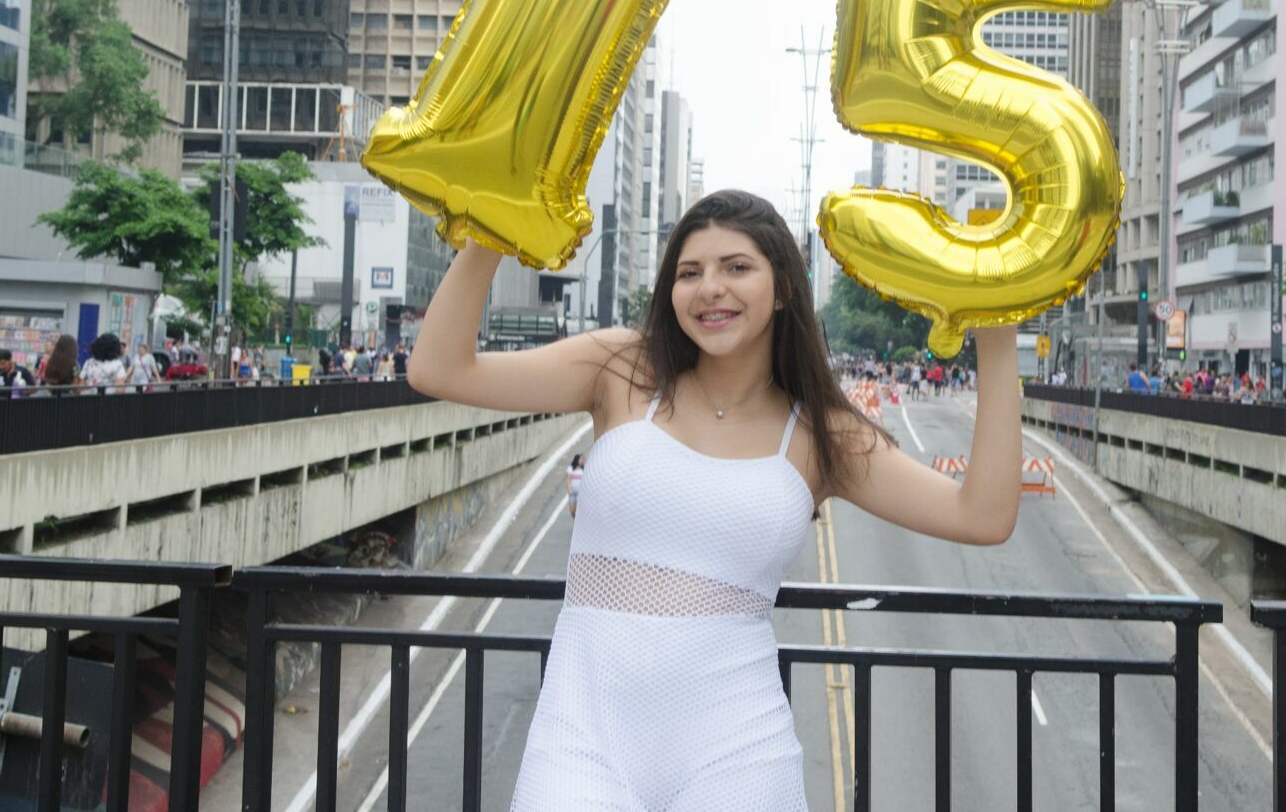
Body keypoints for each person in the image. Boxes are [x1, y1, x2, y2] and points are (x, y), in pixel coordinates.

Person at [408, 190, 1020, 807]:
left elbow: (983, 515)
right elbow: (438, 369)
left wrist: (996, 336)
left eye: (736, 267)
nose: (710, 289)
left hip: (738, 753)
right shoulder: (620, 369)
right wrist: (493, 220)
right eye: (689, 272)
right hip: (579, 739)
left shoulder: (818, 434)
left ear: (782, 287)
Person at [565, 454, 585, 518]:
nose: (582, 461)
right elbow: (568, 479)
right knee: (572, 510)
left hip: (581, 492)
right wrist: (569, 489)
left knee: (578, 510)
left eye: (583, 459)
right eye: (581, 459)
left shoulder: (584, 470)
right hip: (572, 492)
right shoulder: (571, 468)